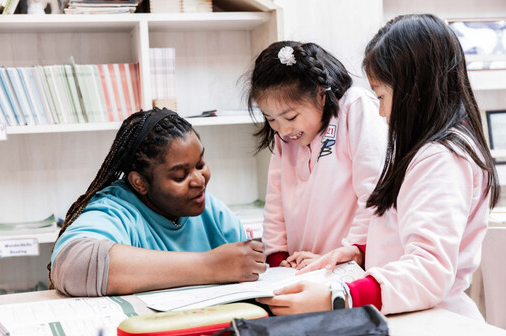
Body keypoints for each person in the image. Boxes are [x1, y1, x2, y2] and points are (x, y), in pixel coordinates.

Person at [256, 14, 500, 319]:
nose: (382, 111)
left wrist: (338, 296)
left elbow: (427, 270)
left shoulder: (441, 158)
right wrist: (357, 251)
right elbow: (398, 235)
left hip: (435, 317)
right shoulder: (427, 153)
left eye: (382, 96)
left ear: (416, 90)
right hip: (411, 310)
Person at [49, 108, 266, 297]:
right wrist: (210, 266)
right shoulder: (116, 210)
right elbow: (73, 265)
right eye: (180, 175)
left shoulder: (213, 213)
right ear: (139, 183)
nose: (199, 180)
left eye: (200, 164)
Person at [246, 41, 388, 268]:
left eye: (290, 117)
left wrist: (351, 252)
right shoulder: (285, 137)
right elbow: (275, 204)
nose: (282, 129)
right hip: (299, 271)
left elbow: (374, 192)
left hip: (351, 268)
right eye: (271, 119)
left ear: (321, 95)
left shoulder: (353, 107)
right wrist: (277, 259)